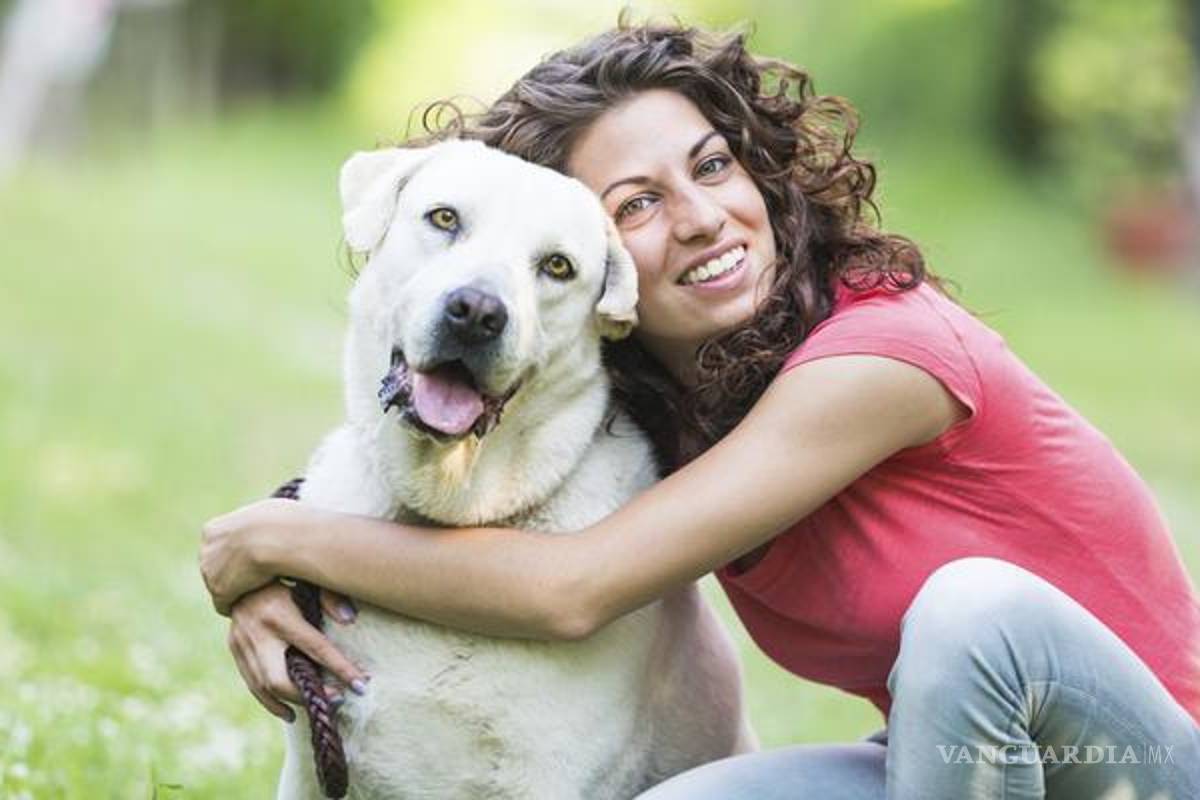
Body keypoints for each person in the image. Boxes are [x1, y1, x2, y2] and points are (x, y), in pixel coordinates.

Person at [199, 18, 1200, 798]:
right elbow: (457, 477)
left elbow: (573, 585)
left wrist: (276, 538)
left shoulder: (884, 356)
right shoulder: (679, 399)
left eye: (712, 164)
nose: (701, 216)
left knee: (973, 608)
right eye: (635, 203)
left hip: (1151, 767)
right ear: (588, 273)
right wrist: (272, 568)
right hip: (960, 764)